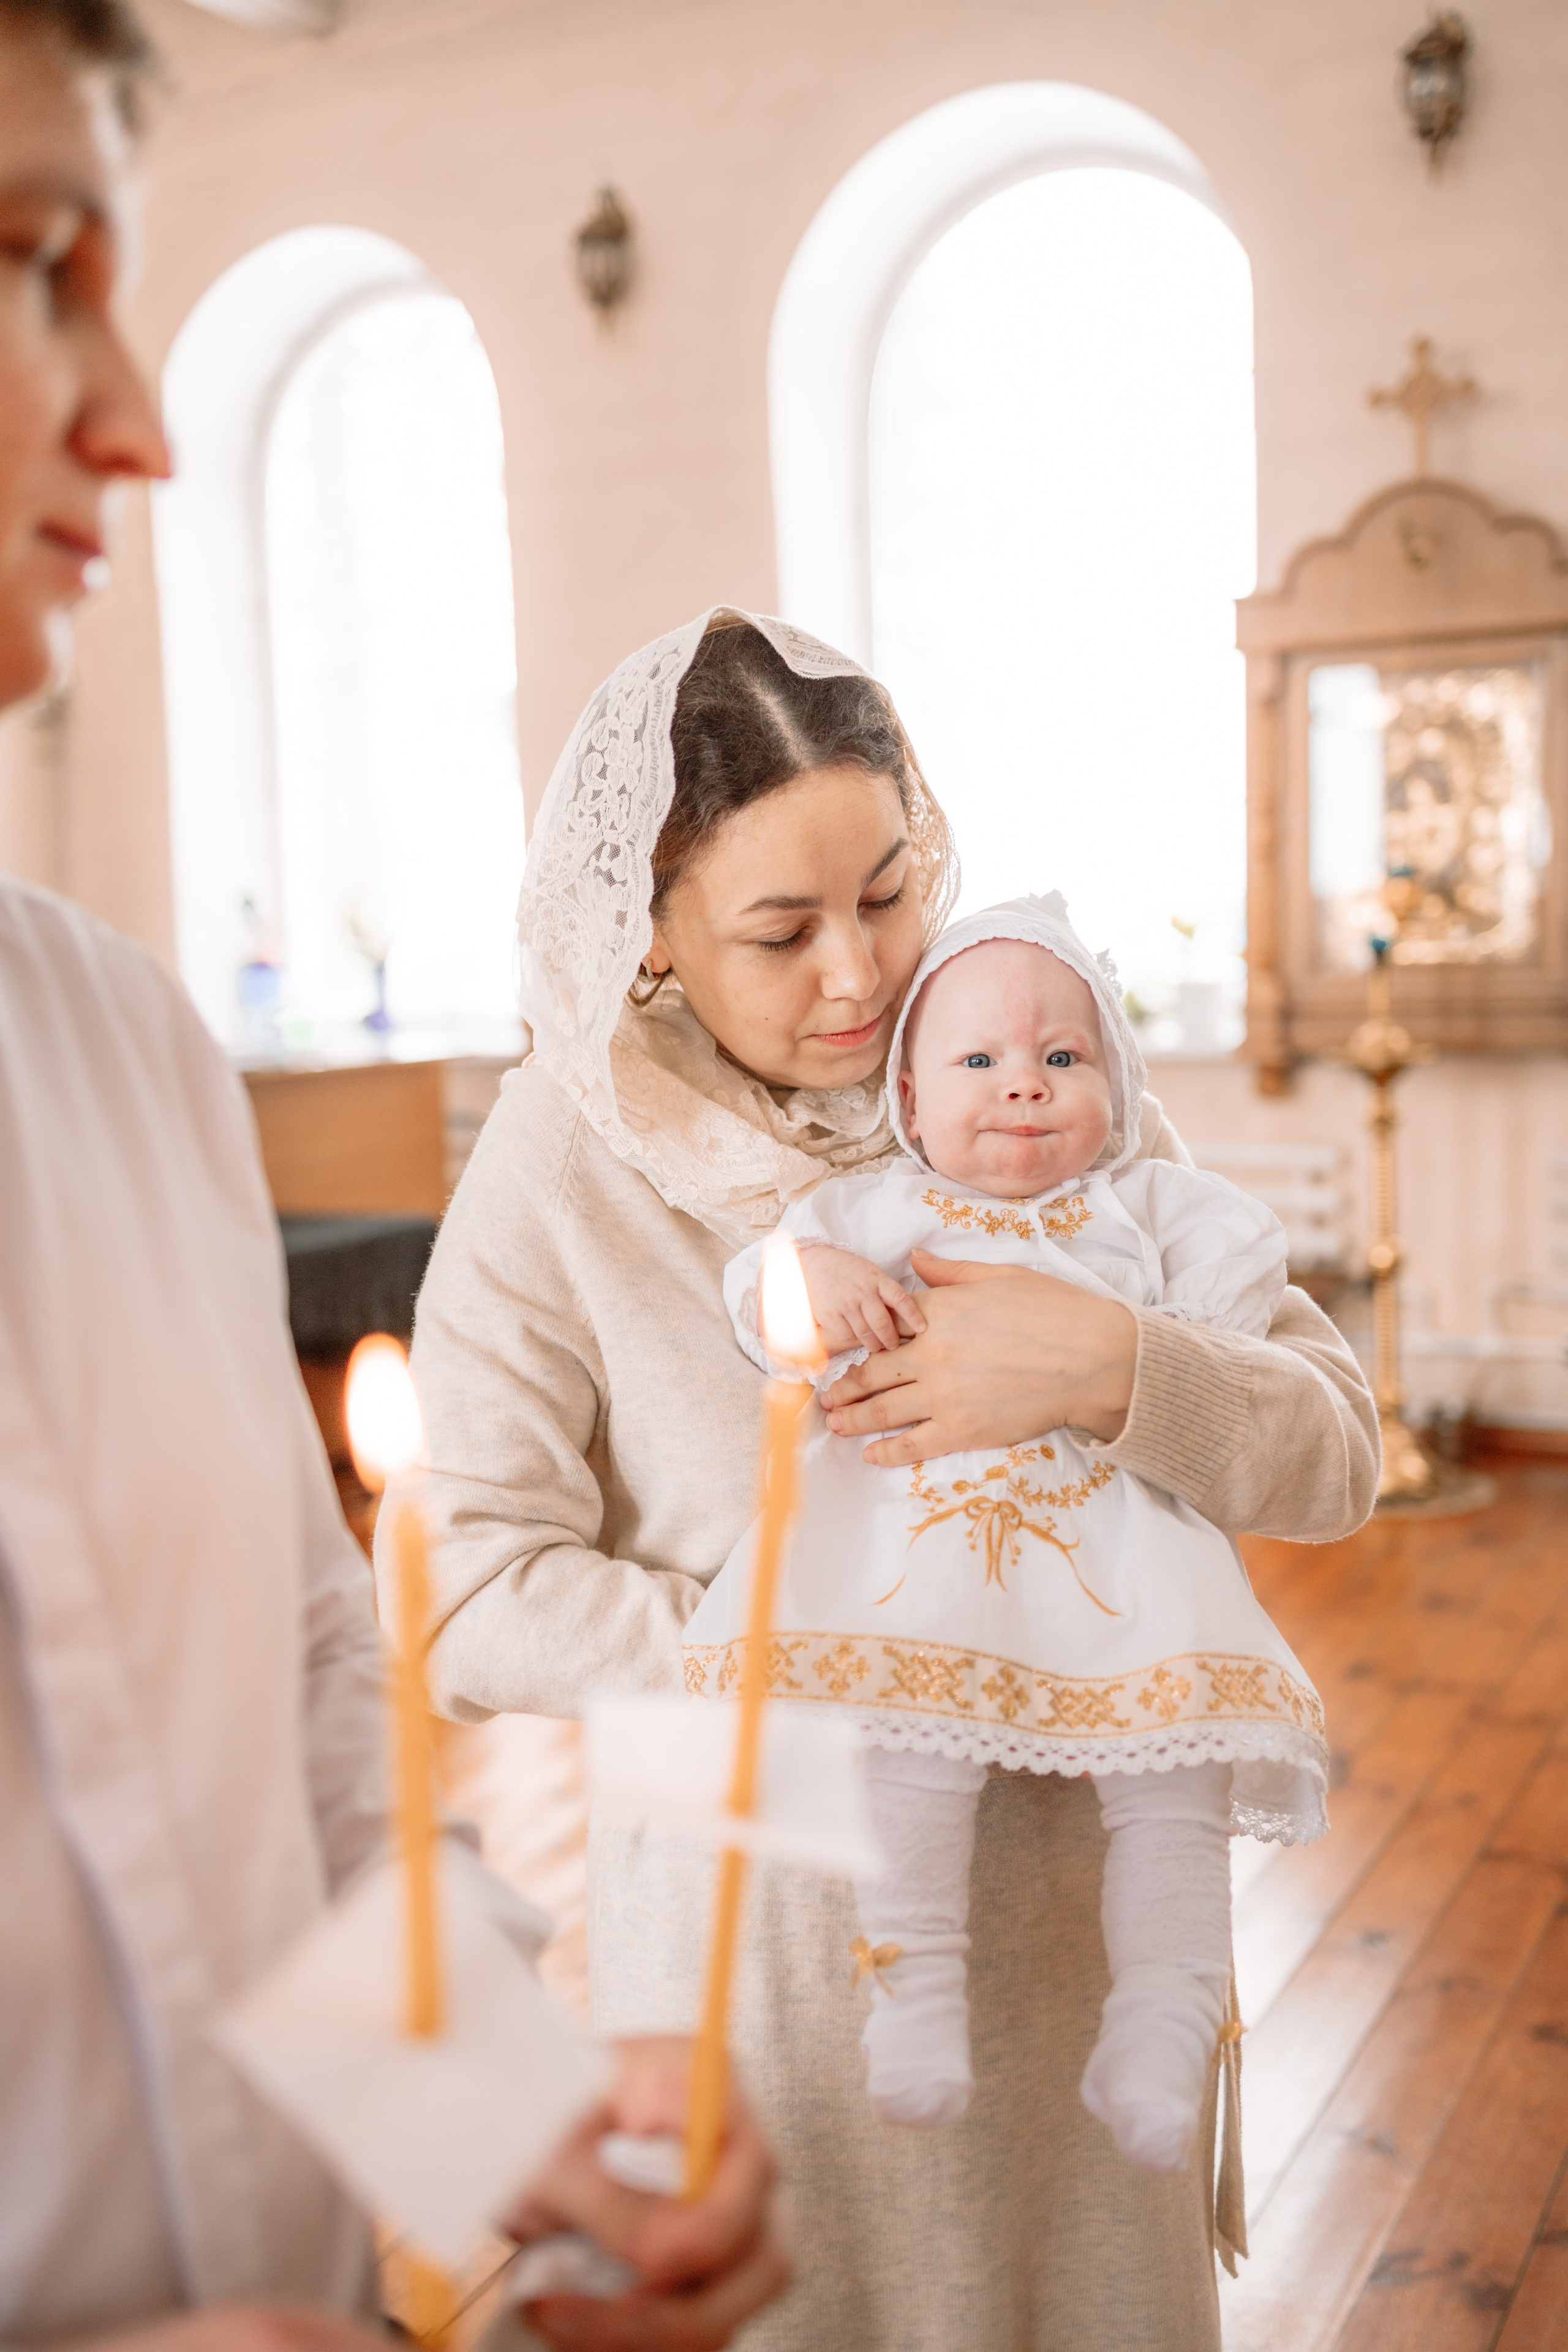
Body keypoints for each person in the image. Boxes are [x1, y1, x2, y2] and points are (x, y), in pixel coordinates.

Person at [0, 7, 786, 2346]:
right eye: (32, 260)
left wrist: (503, 2108)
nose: (133, 413)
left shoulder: (121, 1044)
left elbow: (288, 1706)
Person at [404, 611, 1378, 2350]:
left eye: (891, 892)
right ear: (648, 938)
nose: (861, 979)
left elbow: (1333, 1449)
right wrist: (799, 1646)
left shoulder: (1022, 1072)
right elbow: (474, 1594)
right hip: (766, 1959)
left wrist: (1107, 1369)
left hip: (1080, 1932)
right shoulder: (564, 1158)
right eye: (781, 931)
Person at [686, 892, 1329, 2164]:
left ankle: (1165, 2013)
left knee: (1170, 1788)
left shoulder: (1145, 1199)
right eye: (977, 1060)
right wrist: (810, 1287)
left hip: (1125, 1567)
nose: (1022, 1087)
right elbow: (760, 1294)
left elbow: (1246, 1263)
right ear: (911, 1104)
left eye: (1060, 1058)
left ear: (1116, 1085)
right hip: (918, 1576)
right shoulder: (872, 1210)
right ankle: (909, 1988)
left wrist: (1165, 1336)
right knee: (905, 1765)